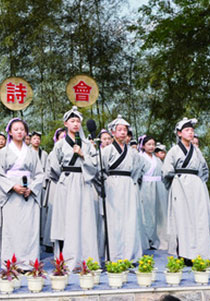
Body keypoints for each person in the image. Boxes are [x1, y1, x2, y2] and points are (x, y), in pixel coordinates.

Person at [48, 107, 100, 268]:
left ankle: (86, 258)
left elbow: (95, 165)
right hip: (67, 182)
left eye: (78, 121)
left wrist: (83, 154)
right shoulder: (60, 145)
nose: (75, 124)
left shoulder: (87, 145)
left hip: (83, 181)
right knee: (66, 220)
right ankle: (67, 259)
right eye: (72, 121)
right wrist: (64, 177)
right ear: (66, 123)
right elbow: (53, 167)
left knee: (84, 219)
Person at [162, 118, 210, 262]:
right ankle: (183, 253)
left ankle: (198, 252)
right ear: (179, 133)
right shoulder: (173, 150)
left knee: (198, 219)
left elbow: (204, 169)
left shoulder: (196, 151)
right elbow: (166, 171)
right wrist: (176, 183)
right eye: (187, 130)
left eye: (192, 130)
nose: (190, 133)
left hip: (196, 187)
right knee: (182, 219)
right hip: (180, 185)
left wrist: (199, 183)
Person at [0, 118, 44, 269]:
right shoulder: (4, 152)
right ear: (10, 132)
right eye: (15, 129)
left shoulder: (31, 152)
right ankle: (11, 262)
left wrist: (32, 188)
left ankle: (29, 263)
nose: (19, 132)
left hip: (28, 193)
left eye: (22, 129)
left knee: (29, 229)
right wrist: (12, 186)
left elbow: (40, 174)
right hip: (11, 195)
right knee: (12, 229)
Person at [100, 115, 147, 261]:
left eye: (125, 130)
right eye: (119, 130)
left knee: (130, 220)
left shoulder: (133, 152)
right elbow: (100, 169)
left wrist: (131, 181)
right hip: (113, 185)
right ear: (113, 132)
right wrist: (107, 182)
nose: (122, 132)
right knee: (114, 221)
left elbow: (138, 169)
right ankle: (114, 255)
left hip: (128, 184)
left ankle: (130, 255)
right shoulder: (107, 150)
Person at [138, 135, 169, 250]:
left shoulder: (157, 160)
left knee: (159, 213)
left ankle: (158, 239)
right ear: (143, 146)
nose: (151, 147)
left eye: (153, 144)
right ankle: (147, 239)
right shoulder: (140, 157)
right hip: (146, 187)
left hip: (158, 186)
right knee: (147, 214)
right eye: (149, 144)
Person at [29, 131, 51, 248]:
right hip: (30, 182)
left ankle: (42, 234)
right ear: (30, 140)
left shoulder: (45, 154)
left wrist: (44, 181)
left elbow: (47, 169)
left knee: (43, 209)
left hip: (42, 183)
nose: (36, 140)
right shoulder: (27, 152)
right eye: (34, 138)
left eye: (38, 138)